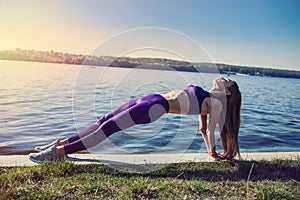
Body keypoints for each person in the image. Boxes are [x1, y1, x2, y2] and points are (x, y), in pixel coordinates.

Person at [29, 77, 242, 162]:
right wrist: (210, 149)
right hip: (151, 98)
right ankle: (61, 143)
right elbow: (203, 130)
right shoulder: (209, 98)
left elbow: (210, 130)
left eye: (227, 81)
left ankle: (58, 153)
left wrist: (212, 152)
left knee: (108, 128)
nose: (223, 78)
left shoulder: (215, 104)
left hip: (156, 107)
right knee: (103, 120)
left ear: (228, 92)